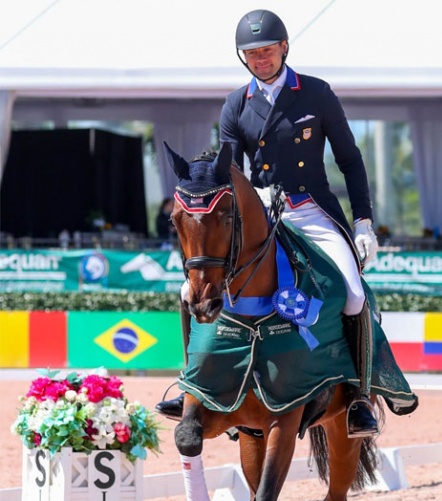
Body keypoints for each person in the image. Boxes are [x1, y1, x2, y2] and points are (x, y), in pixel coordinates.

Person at [158, 9, 380, 438]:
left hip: (311, 210)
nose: (260, 59)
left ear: (284, 48)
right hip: (258, 214)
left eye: (266, 51)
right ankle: (194, 385)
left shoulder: (316, 94)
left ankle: (358, 397)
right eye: (251, 53)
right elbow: (229, 172)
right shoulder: (236, 104)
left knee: (353, 295)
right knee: (190, 290)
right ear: (244, 58)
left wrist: (364, 223)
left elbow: (350, 161)